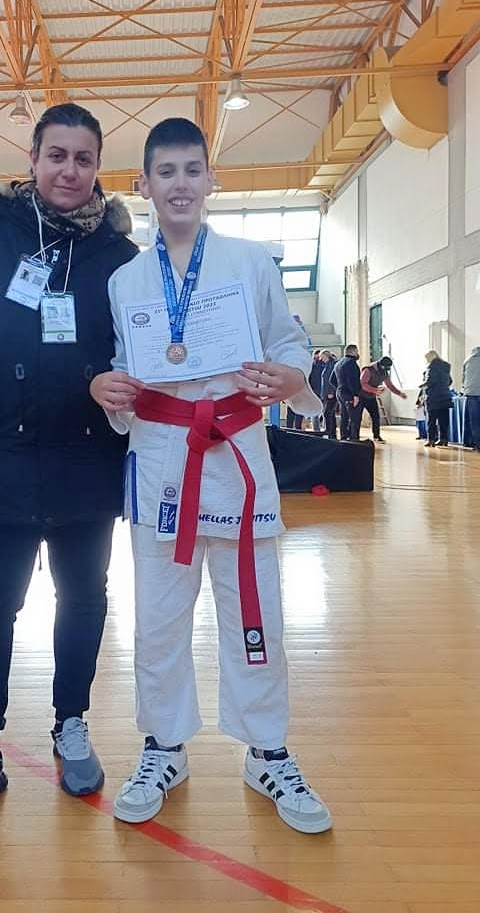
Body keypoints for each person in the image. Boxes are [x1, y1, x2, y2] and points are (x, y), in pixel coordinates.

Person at [90, 118, 331, 835]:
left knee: (255, 608)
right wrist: (108, 388)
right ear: (143, 185)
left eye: (192, 170)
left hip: (237, 454)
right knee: (159, 616)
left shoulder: (252, 262)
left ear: (212, 179)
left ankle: (268, 750)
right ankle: (164, 747)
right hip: (162, 462)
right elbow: (121, 363)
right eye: (166, 172)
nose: (181, 184)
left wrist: (290, 375)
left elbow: (290, 342)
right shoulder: (125, 279)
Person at [0, 103, 139, 838]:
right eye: (57, 155)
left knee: (84, 599)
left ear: (97, 166)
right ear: (33, 160)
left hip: (85, 459)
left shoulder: (118, 256)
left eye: (83, 158)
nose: (69, 171)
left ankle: (71, 722)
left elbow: (135, 353)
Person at [359, 355, 408, 443]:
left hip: (371, 397)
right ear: (380, 364)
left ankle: (376, 436)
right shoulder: (368, 370)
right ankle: (353, 436)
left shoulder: (384, 372)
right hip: (361, 396)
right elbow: (362, 384)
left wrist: (399, 393)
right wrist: (375, 390)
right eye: (385, 367)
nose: (386, 370)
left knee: (376, 417)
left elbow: (389, 385)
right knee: (357, 417)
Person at [422, 350, 452, 447]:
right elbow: (450, 381)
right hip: (445, 396)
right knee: (444, 420)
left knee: (431, 420)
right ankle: (444, 439)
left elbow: (430, 381)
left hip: (433, 397)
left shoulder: (431, 367)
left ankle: (431, 440)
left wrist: (422, 385)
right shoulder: (446, 366)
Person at [332, 344, 362, 441]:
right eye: (357, 351)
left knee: (344, 416)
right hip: (349, 394)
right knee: (354, 417)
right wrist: (355, 395)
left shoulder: (338, 363)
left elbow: (332, 380)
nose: (358, 353)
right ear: (353, 352)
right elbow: (352, 381)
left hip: (340, 393)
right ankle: (354, 438)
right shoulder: (352, 363)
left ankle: (344, 437)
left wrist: (340, 387)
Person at [462, 346, 480, 452]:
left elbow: (463, 378)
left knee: (474, 421)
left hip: (471, 393)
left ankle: (477, 444)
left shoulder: (467, 360)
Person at [319, 350, 338, 439]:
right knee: (330, 413)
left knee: (328, 413)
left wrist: (331, 392)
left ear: (326, 356)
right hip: (327, 394)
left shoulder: (331, 365)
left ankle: (330, 432)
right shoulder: (327, 365)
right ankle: (331, 432)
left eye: (322, 357)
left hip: (331, 394)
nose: (321, 359)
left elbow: (331, 379)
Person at [309, 350, 324, 432]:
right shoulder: (314, 365)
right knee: (317, 412)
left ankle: (317, 429)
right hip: (317, 392)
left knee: (318, 412)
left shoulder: (313, 365)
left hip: (317, 391)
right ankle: (317, 429)